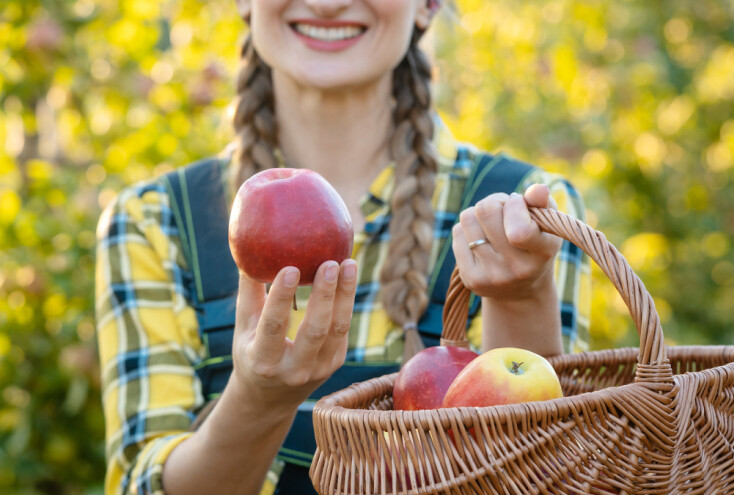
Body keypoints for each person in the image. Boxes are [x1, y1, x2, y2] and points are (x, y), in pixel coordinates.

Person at [95, 0, 591, 493]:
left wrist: (521, 297)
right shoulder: (155, 222)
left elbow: (546, 472)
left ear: (428, 5)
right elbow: (145, 482)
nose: (328, 3)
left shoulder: (521, 218)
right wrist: (258, 401)